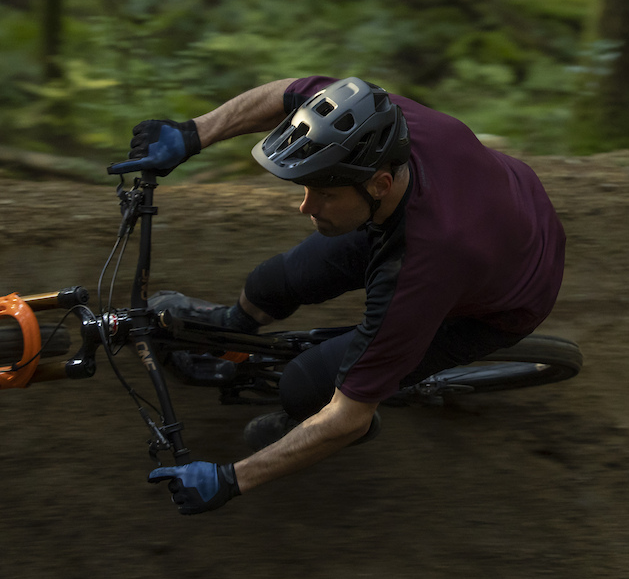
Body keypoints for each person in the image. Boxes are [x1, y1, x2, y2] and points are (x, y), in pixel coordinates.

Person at [111, 76, 566, 514]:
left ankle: (314, 414)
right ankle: (231, 329)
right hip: (490, 207)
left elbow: (349, 415)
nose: (305, 206)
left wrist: (232, 479)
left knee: (306, 385)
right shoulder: (379, 122)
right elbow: (288, 93)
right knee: (277, 279)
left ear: (378, 184)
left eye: (324, 193)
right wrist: (194, 133)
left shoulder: (422, 269)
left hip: (504, 298)